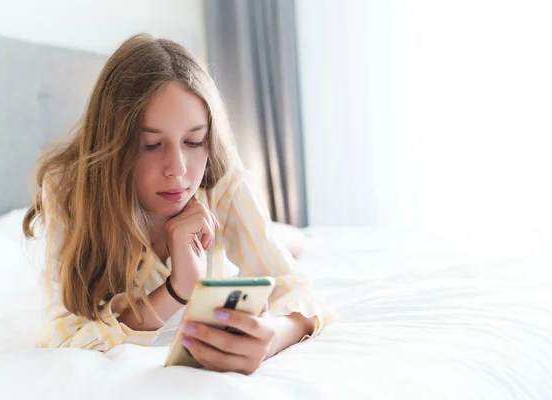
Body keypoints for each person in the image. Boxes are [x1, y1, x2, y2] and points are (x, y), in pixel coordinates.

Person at [23, 33, 332, 375]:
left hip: (239, 217)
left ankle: (285, 235)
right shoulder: (69, 191)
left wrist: (272, 338)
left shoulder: (222, 182)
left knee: (291, 242)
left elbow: (301, 296)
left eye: (194, 141)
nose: (179, 170)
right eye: (151, 145)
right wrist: (177, 288)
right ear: (113, 144)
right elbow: (63, 338)